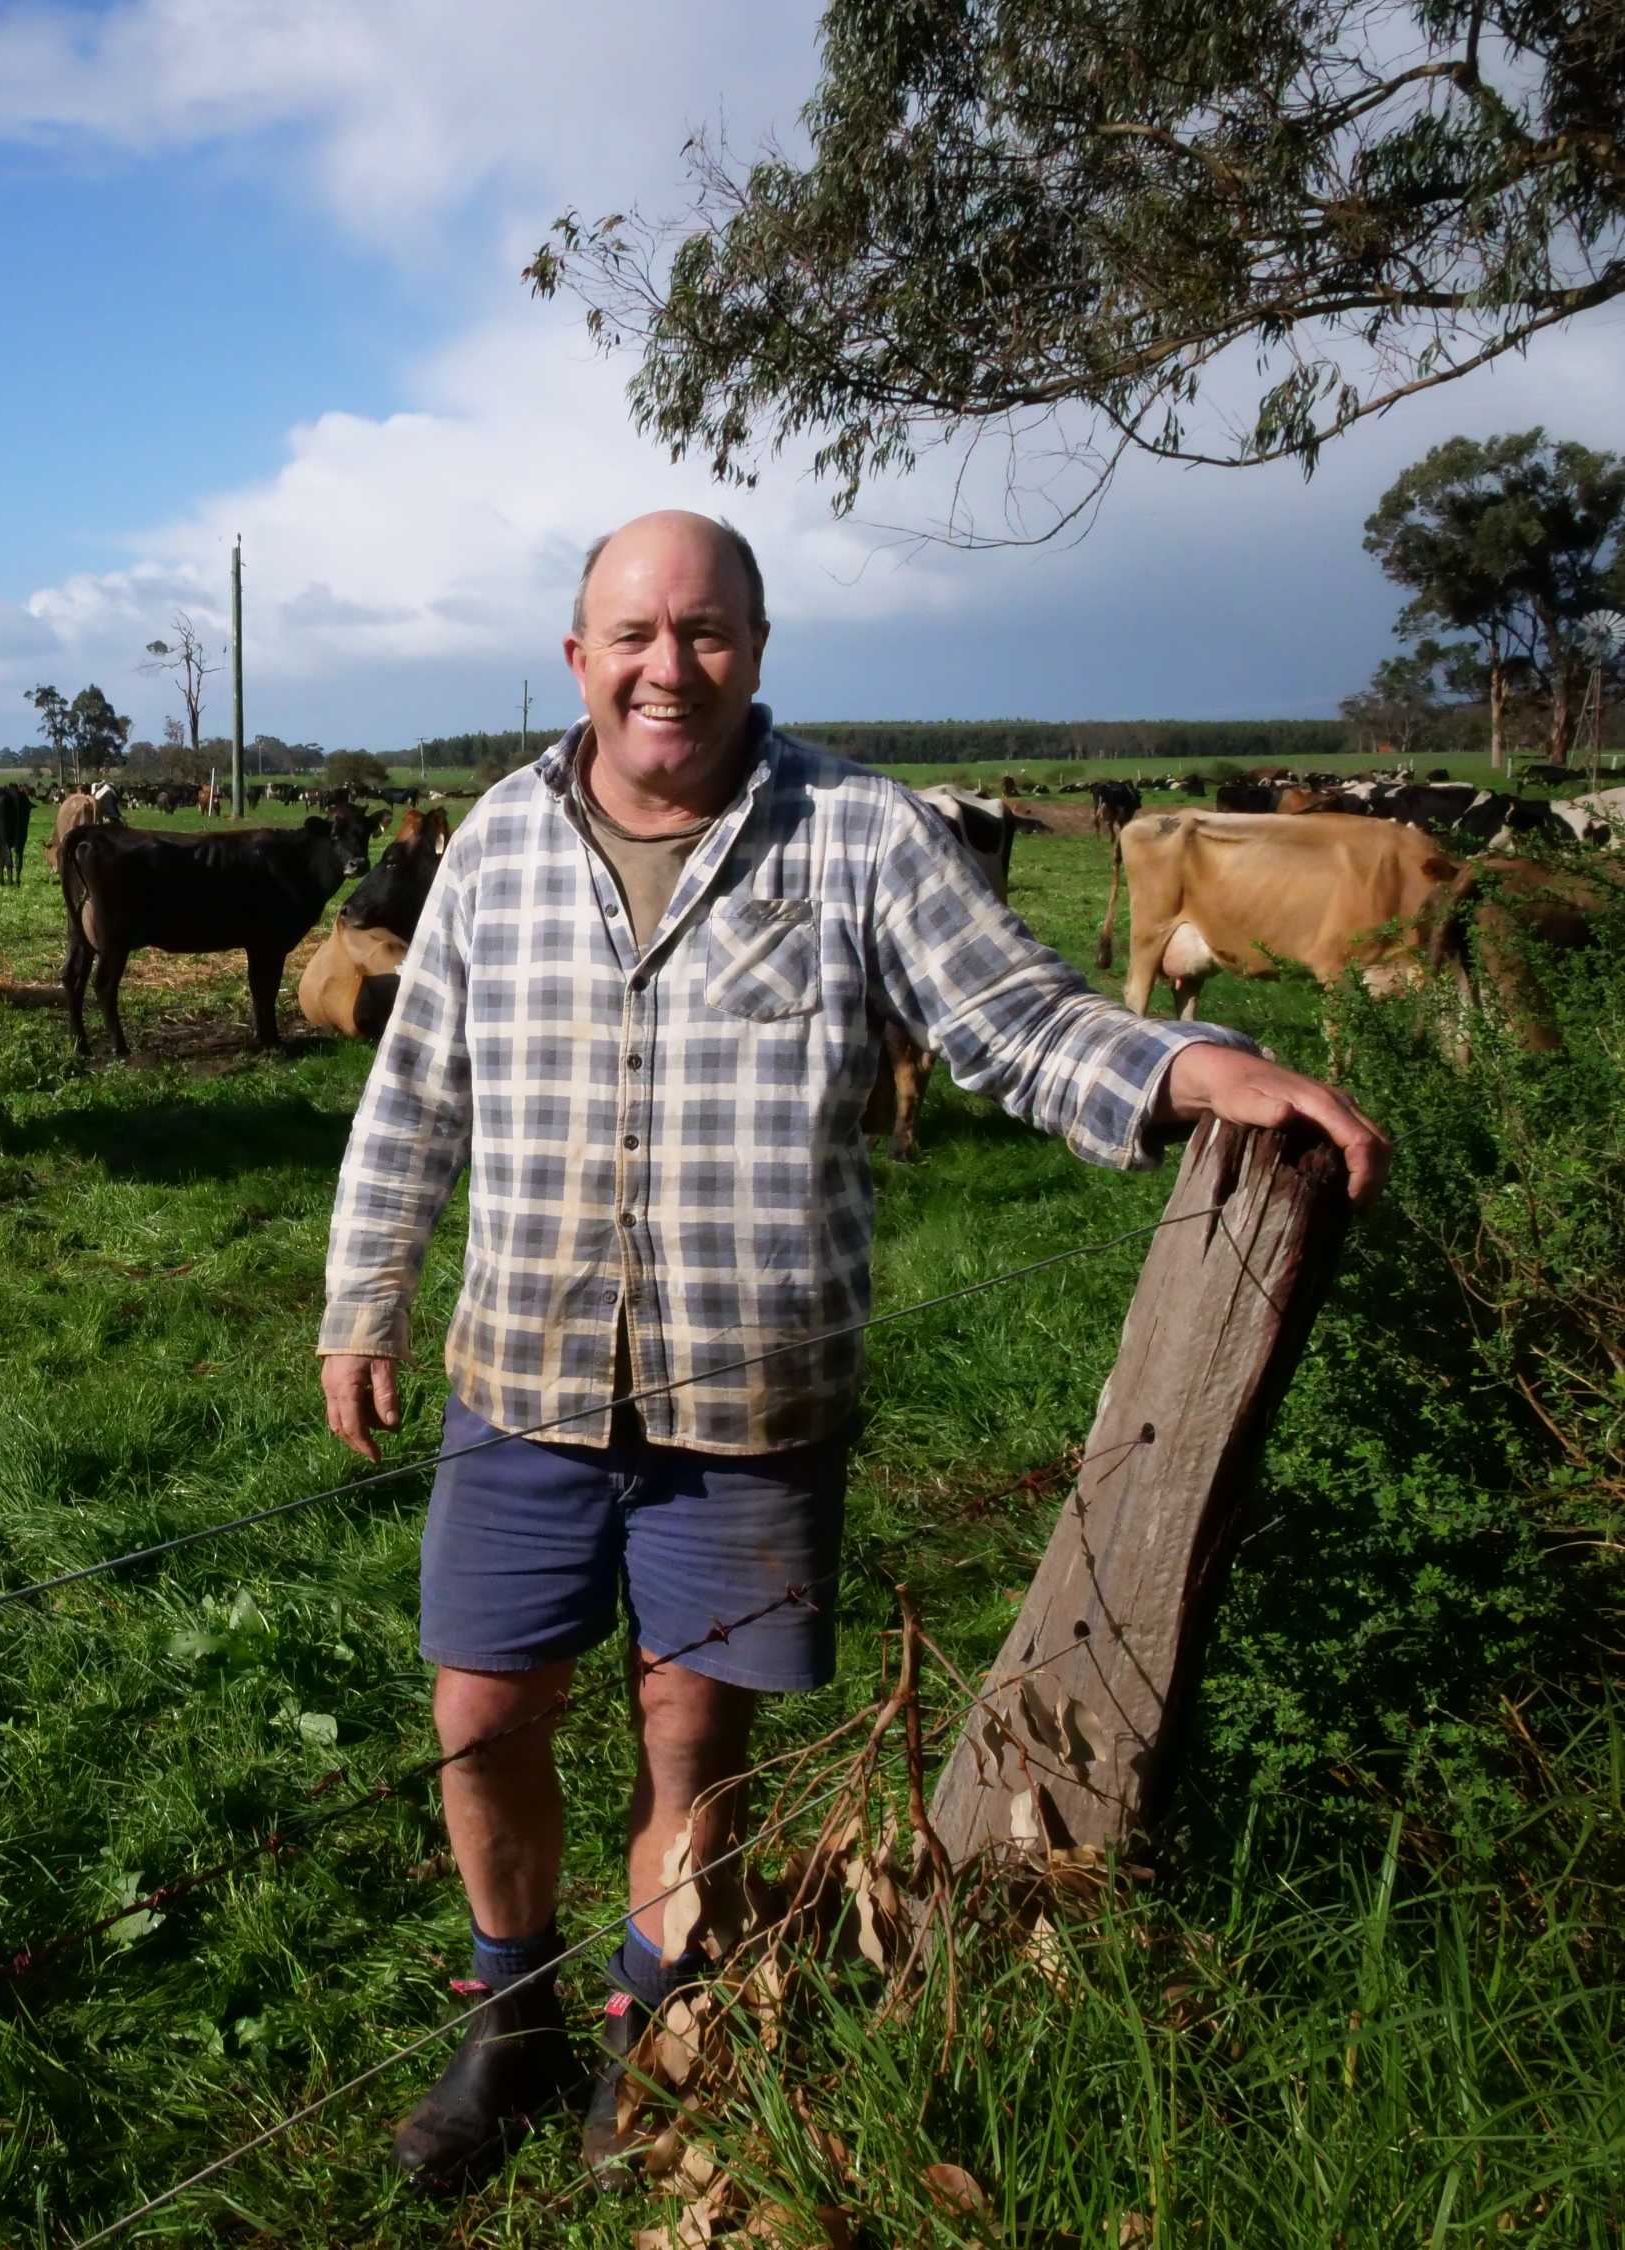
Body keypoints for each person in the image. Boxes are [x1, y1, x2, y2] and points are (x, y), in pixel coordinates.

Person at [317, 511, 1389, 2187]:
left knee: (691, 1729)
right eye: (636, 633)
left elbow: (1017, 1019)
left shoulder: (861, 836)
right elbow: (414, 1096)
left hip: (750, 1396)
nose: (670, 666)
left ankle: (650, 2021)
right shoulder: (496, 844)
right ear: (579, 652)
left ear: (757, 643)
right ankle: (507, 2003)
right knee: (482, 1709)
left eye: (708, 631)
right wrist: (361, 1296)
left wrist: (1197, 1070)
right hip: (519, 1379)